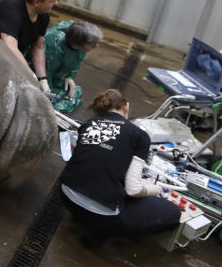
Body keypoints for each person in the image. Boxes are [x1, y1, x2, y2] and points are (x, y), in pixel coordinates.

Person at [60, 89, 182, 248]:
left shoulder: (88, 124)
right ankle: (99, 233)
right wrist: (156, 189)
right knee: (173, 213)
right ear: (127, 107)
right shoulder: (139, 135)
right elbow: (133, 190)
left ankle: (82, 219)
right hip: (101, 215)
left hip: (67, 196)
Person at [0, 0, 58, 94]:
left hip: (11, 60)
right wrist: (31, 76)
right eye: (52, 1)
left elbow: (38, 47)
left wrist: (42, 79)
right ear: (37, 2)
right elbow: (10, 48)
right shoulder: (10, 10)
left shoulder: (43, 16)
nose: (57, 3)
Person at [41, 20, 103, 114]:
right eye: (93, 45)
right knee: (51, 99)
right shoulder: (53, 45)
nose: (97, 46)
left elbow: (77, 60)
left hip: (58, 67)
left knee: (69, 93)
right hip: (40, 67)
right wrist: (46, 89)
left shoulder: (80, 32)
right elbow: (47, 71)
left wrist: (69, 76)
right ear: (76, 45)